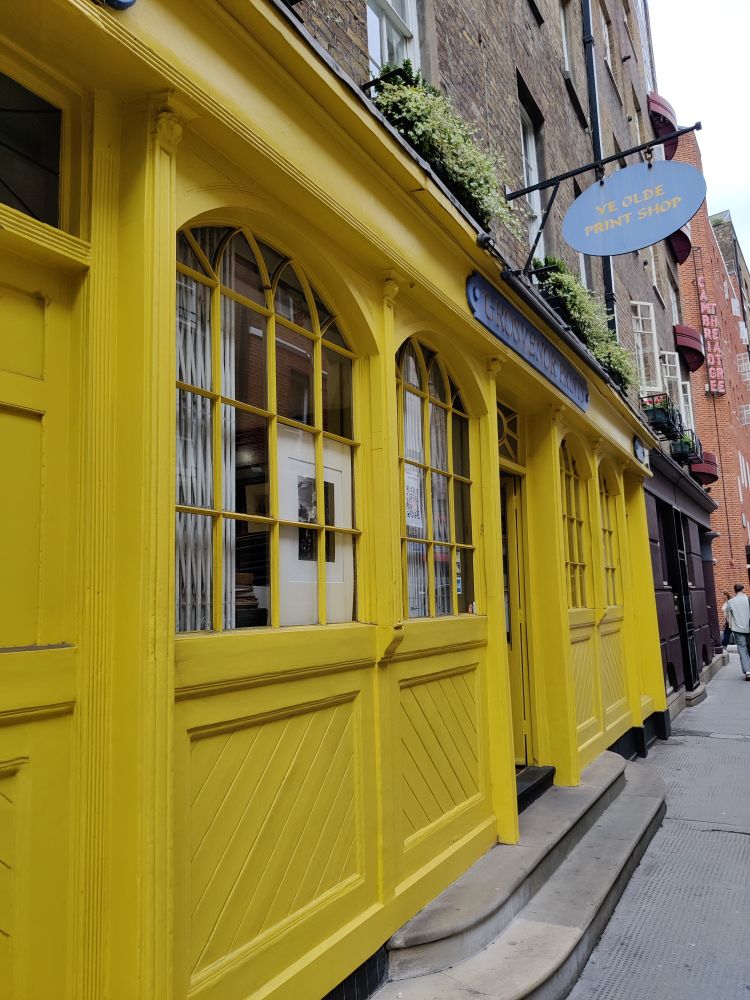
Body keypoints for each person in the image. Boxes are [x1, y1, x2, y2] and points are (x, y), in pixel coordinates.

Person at [722, 584, 750, 680]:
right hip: (749, 627)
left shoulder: (731, 602)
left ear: (734, 591)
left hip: (738, 629)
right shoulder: (748, 599)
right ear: (743, 589)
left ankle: (747, 671)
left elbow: (727, 614)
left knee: (742, 649)